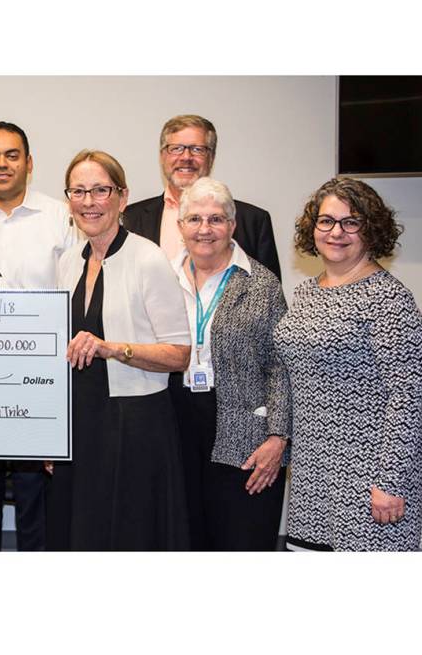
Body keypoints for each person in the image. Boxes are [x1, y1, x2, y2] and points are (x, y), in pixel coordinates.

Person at [274, 177, 422, 551]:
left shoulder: (389, 298)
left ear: (371, 228)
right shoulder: (307, 292)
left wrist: (390, 482)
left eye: (351, 222)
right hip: (312, 479)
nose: (336, 232)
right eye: (326, 221)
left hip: (369, 484)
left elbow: (406, 397)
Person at [47, 149, 192, 551]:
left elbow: (179, 354)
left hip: (134, 423)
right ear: (68, 200)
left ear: (122, 197)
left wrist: (112, 349)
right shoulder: (69, 261)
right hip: (81, 419)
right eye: (78, 191)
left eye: (100, 190)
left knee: (127, 533)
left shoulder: (148, 259)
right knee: (81, 530)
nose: (89, 202)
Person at [0, 121, 79, 551]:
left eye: (12, 155)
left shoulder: (61, 217)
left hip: (40, 373)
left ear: (29, 163)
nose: (2, 164)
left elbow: (75, 290)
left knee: (34, 494)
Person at [168, 177, 289, 551]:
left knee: (241, 539)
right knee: (183, 539)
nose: (205, 229)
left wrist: (277, 437)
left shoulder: (261, 284)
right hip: (174, 424)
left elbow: (281, 366)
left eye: (216, 219)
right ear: (180, 226)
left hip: (244, 434)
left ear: (232, 226)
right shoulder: (161, 277)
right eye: (195, 219)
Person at [122, 114, 282, 279]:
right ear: (163, 156)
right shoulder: (130, 219)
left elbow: (271, 297)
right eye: (176, 148)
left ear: (211, 158)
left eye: (197, 149)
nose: (186, 157)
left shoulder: (253, 221)